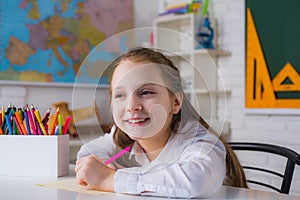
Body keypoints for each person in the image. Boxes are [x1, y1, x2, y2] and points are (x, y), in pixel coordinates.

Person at [75, 47, 248, 198]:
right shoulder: (121, 136)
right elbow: (87, 155)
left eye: (146, 92)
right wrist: (107, 170)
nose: (132, 106)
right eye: (120, 95)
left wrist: (110, 179)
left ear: (176, 102)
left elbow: (197, 180)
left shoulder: (198, 140)